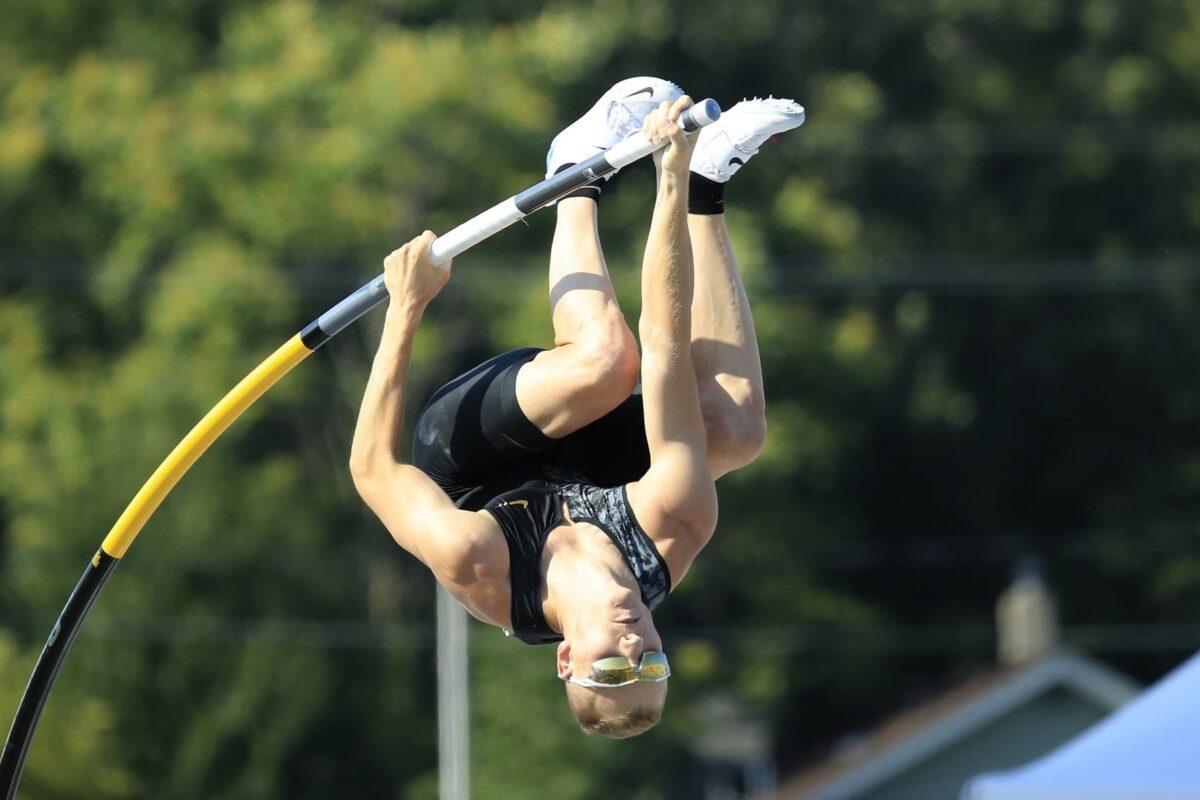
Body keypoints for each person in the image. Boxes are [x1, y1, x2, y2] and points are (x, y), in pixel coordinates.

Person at [349, 78, 804, 738]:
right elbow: (667, 346)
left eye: (612, 672)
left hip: (474, 454)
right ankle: (712, 180)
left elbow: (372, 472)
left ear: (566, 659)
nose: (633, 651)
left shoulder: (480, 561)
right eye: (653, 665)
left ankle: (572, 174)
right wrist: (675, 181)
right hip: (593, 462)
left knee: (606, 362)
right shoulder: (673, 525)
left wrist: (407, 306)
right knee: (734, 431)